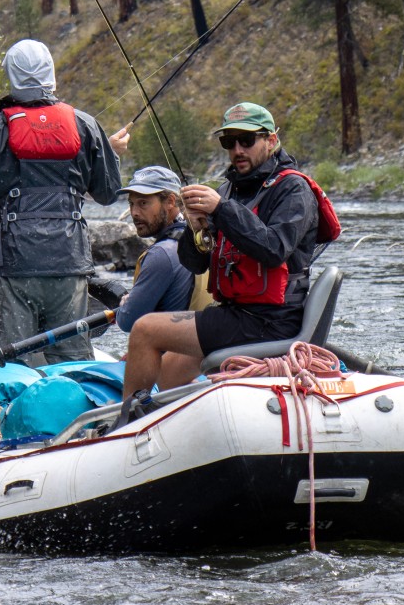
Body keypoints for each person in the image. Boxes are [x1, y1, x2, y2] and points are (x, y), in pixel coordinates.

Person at [120, 102, 319, 404]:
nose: (237, 149)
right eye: (229, 142)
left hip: (272, 321)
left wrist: (221, 210)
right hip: (234, 314)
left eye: (247, 140)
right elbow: (195, 264)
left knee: (145, 330)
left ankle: (126, 420)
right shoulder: (229, 190)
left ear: (271, 140)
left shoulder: (293, 190)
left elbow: (274, 250)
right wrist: (195, 230)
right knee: (170, 372)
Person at [0, 39, 124, 364]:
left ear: (11, 76)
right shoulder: (85, 126)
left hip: (15, 268)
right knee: (71, 366)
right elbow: (108, 192)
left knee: (9, 365)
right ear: (51, 74)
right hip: (69, 266)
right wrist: (109, 154)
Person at [112, 165, 195, 333]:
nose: (134, 212)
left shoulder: (161, 254)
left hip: (166, 355)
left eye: (143, 203)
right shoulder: (197, 239)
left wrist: (126, 304)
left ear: (170, 201)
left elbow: (127, 321)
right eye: (131, 204)